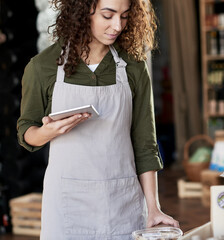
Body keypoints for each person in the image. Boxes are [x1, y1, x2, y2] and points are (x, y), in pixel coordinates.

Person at [17, 0, 179, 239]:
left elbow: (145, 144)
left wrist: (154, 208)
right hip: (67, 205)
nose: (117, 26)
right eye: (108, 15)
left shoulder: (133, 67)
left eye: (124, 16)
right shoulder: (43, 67)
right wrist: (47, 132)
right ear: (83, 12)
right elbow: (26, 131)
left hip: (122, 201)